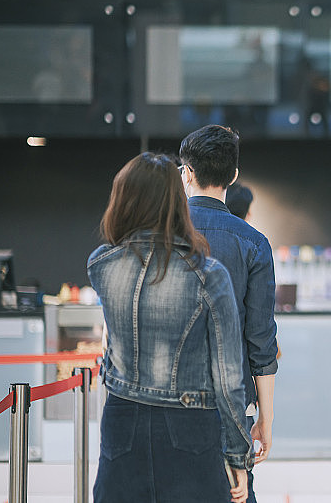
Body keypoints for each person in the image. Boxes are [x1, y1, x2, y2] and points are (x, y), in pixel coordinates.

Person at [87, 153, 252, 503]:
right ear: (178, 204)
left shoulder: (101, 264)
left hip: (121, 419)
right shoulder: (209, 275)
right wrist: (238, 454)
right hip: (190, 426)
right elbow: (227, 376)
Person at [179, 125, 279, 503]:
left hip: (164, 402)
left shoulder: (156, 236)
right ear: (233, 176)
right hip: (231, 404)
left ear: (186, 173)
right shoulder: (254, 243)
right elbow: (261, 341)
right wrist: (265, 418)